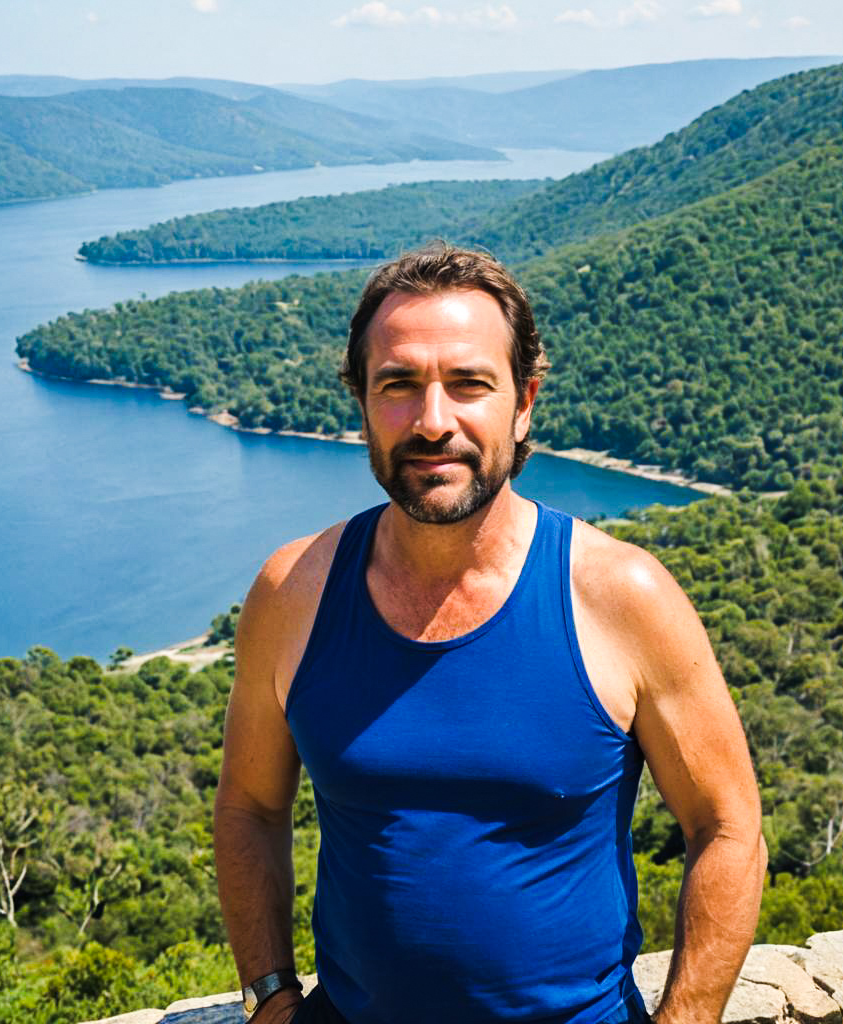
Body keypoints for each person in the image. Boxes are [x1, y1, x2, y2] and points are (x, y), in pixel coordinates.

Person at [214, 245, 766, 1024]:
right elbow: (248, 807)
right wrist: (269, 994)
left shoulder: (619, 597)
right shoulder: (293, 592)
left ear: (524, 400)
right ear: (362, 405)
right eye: (398, 386)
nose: (433, 421)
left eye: (469, 384)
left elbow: (728, 827)